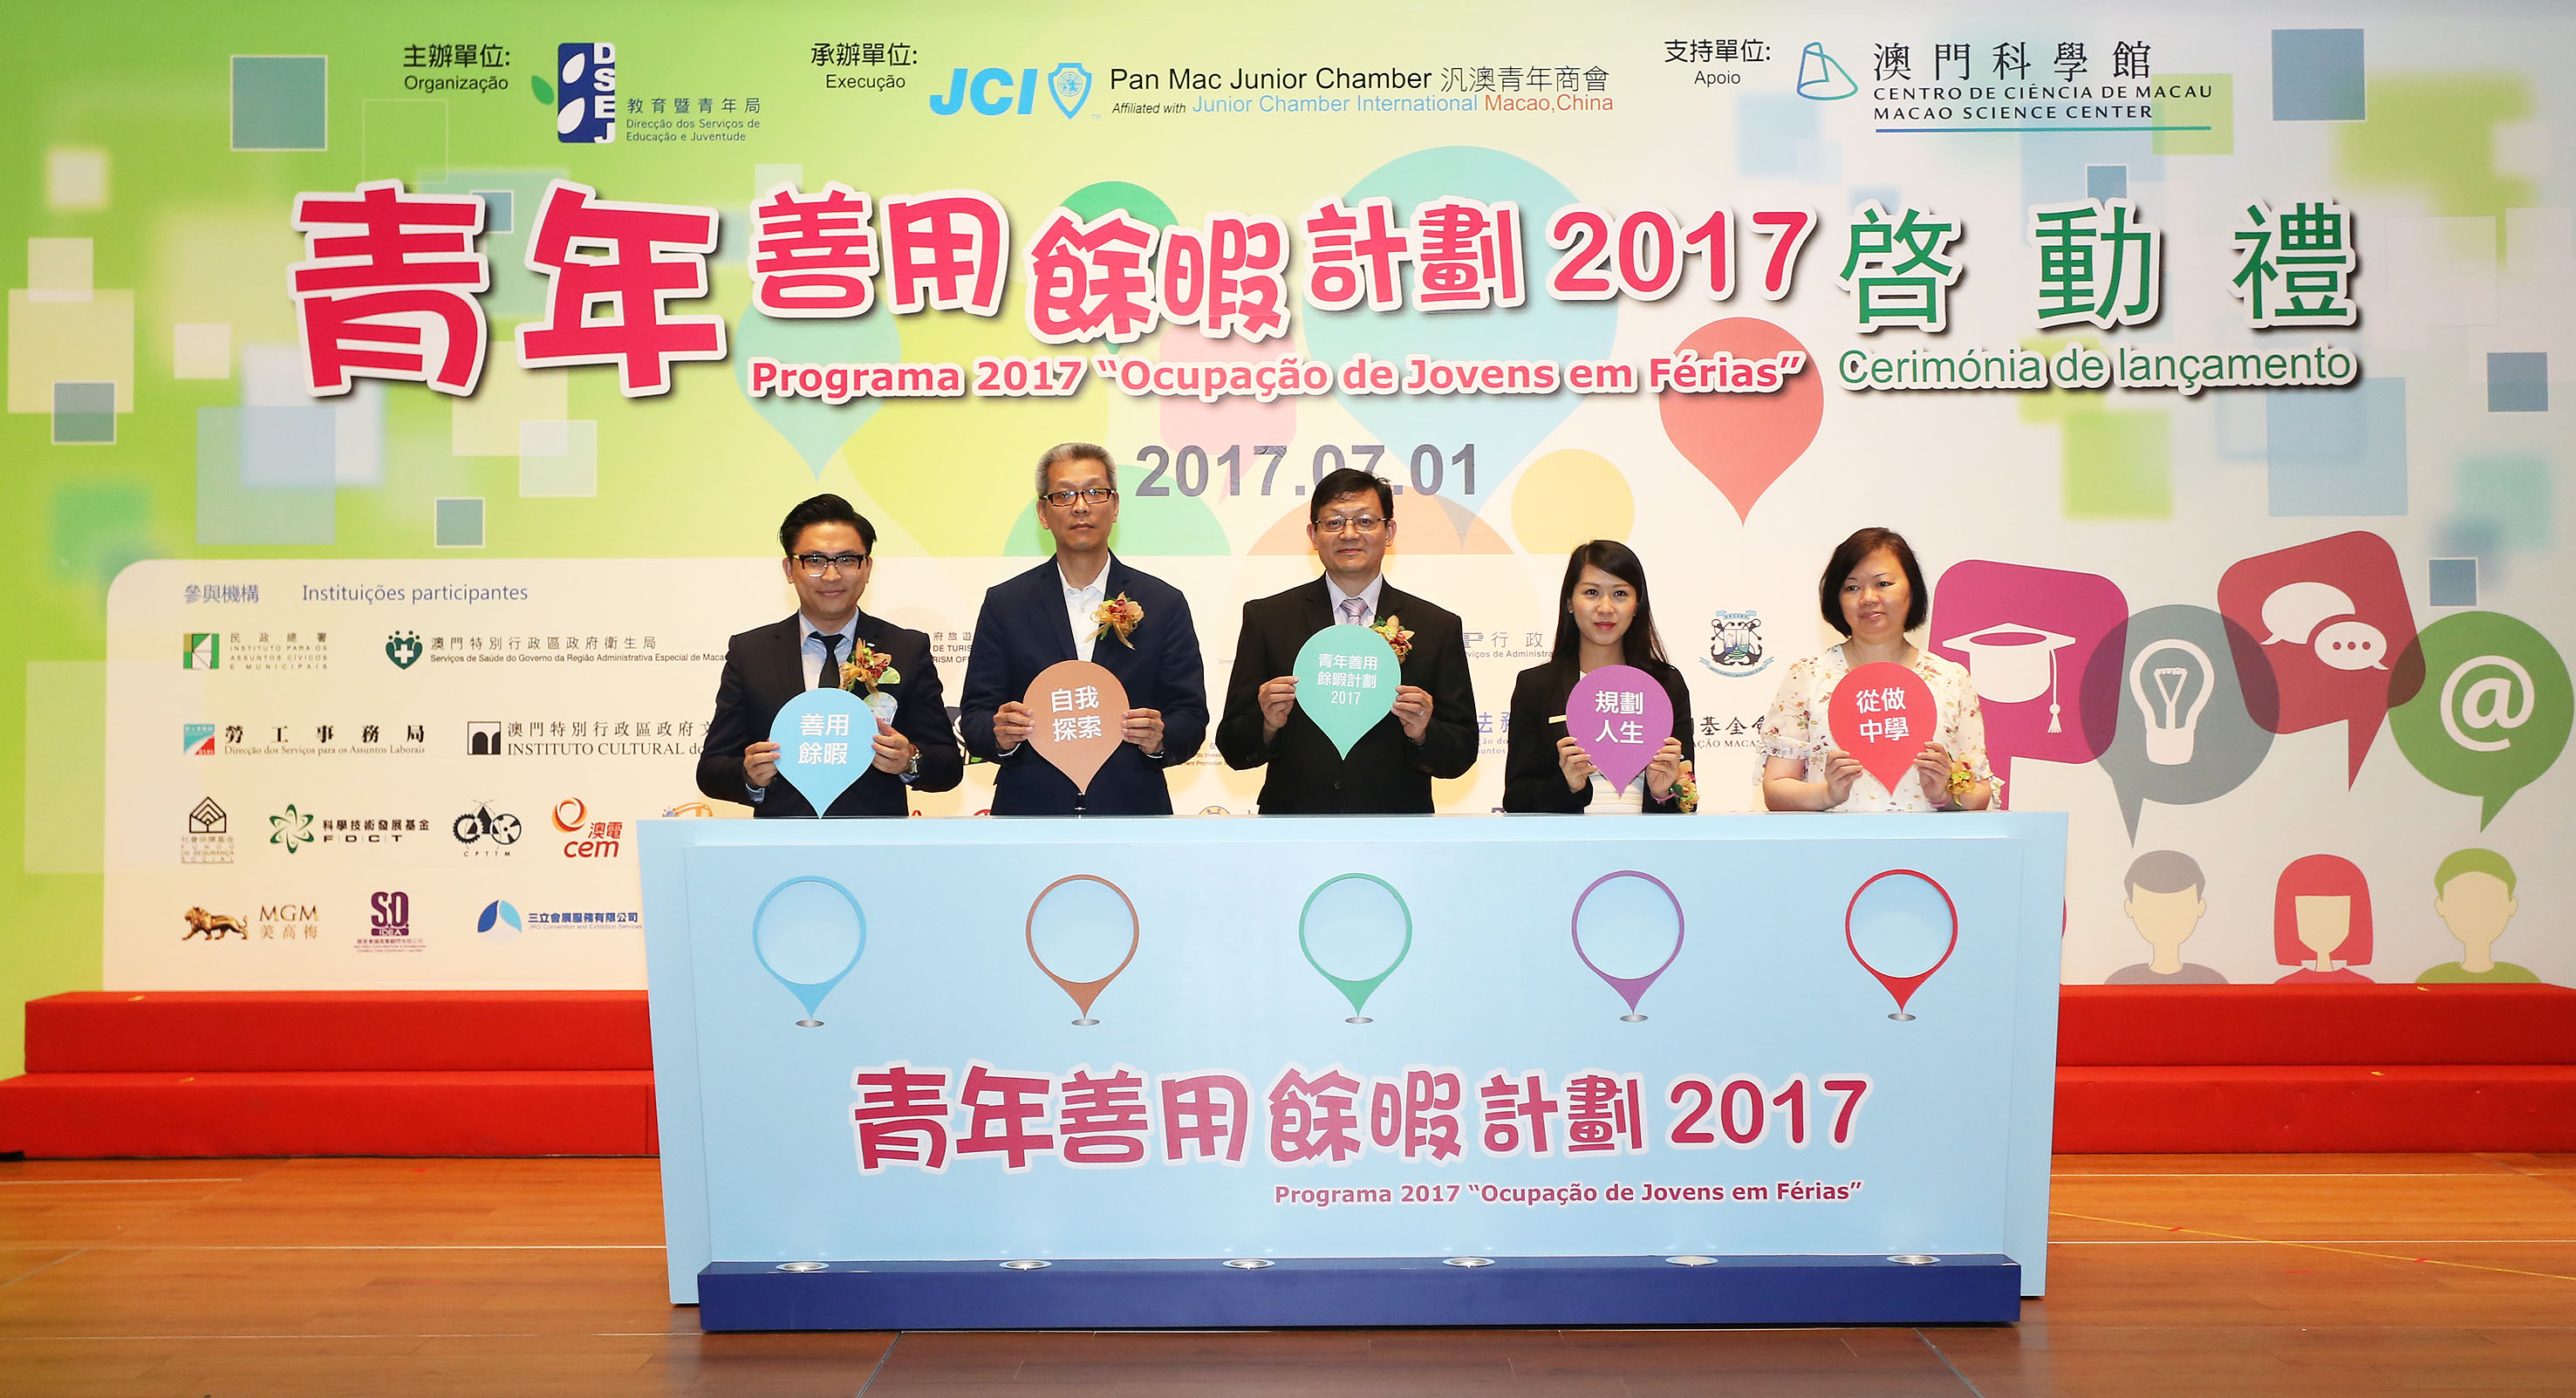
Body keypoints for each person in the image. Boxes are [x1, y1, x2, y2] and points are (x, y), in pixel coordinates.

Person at [959, 442, 1209, 814]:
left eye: (1094, 492)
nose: (1080, 506)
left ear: (1115, 506)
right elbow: (976, 714)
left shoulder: (1162, 603)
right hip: (1030, 810)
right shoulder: (1006, 603)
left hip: (1132, 809)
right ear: (1043, 513)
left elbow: (1190, 715)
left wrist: (1160, 738)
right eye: (1064, 495)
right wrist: (1000, 735)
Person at [1215, 467, 1475, 813]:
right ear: (1313, 534)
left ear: (1389, 531)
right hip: (1294, 823)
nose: (1349, 533)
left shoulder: (1435, 626)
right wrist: (1266, 725)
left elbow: (1461, 752)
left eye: (1365, 521)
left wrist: (1424, 733)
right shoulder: (1268, 619)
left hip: (1397, 825)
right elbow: (1234, 748)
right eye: (1334, 522)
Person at [696, 494, 961, 817]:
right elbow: (711, 769)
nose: (832, 575)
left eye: (847, 560)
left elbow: (948, 766)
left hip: (876, 839)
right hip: (781, 841)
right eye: (815, 560)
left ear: (867, 568)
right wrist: (749, 776)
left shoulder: (905, 648)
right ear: (789, 569)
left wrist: (910, 761)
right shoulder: (751, 652)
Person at [1760, 527, 1997, 813]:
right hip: (1834, 840)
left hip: (1926, 842)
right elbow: (1776, 788)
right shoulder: (1808, 676)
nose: (1868, 598)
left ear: (1912, 590)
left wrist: (1945, 794)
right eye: (1852, 587)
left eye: (1883, 584)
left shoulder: (1951, 678)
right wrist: (1827, 794)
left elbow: (1979, 791)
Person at [1503, 542, 1695, 814]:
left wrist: (1663, 793)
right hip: (1565, 840)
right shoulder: (1536, 687)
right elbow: (1516, 799)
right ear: (1570, 602)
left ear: (1637, 605)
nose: (1605, 608)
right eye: (1591, 592)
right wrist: (1569, 786)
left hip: (1648, 840)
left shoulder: (1666, 685)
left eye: (1620, 594)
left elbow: (1689, 800)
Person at [2417, 848, 2538, 983]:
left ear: (2512, 905)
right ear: (2440, 906)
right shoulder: (2430, 980)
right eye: (2462, 900)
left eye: (2489, 900)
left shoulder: (2524, 980)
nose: (2476, 911)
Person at [2106, 849, 2228, 984]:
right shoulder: (2120, 981)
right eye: (2152, 909)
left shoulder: (2211, 980)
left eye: (2179, 908)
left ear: (2200, 907)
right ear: (2129, 907)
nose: (2165, 920)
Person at [2272, 853, 2376, 984]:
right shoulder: (2285, 985)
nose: (2323, 925)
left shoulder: (2363, 984)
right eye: (2309, 914)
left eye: (2337, 913)